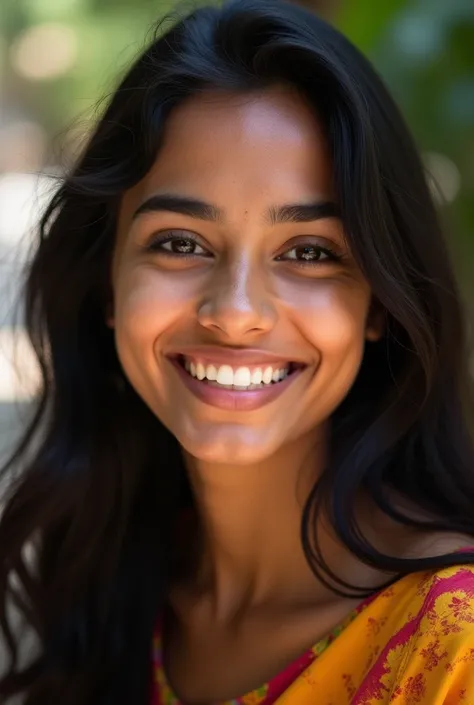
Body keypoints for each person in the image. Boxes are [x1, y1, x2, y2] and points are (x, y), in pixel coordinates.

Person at [1, 0, 474, 702]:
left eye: (309, 252)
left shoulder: (451, 639)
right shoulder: (111, 583)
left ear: (378, 302)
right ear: (108, 282)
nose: (236, 313)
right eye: (180, 243)